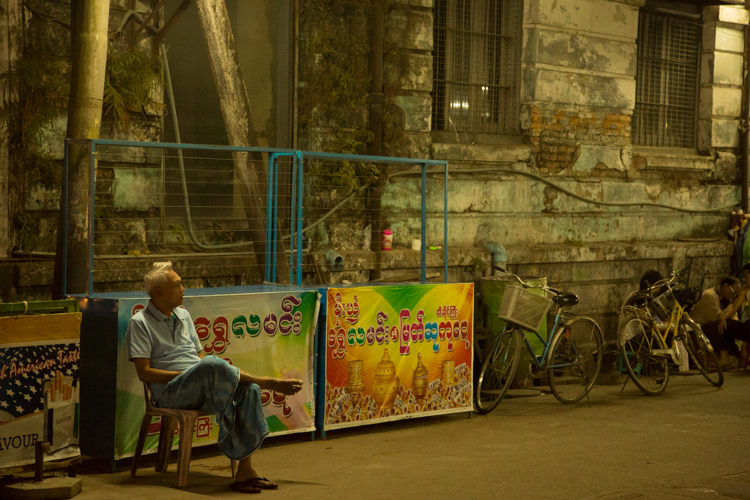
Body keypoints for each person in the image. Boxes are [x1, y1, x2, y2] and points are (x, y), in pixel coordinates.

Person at [126, 261, 303, 494]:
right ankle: (268, 382)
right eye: (177, 285)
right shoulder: (139, 323)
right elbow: (144, 372)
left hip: (201, 385)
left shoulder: (184, 315)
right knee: (211, 364)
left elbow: (198, 357)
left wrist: (202, 374)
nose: (183, 289)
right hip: (171, 393)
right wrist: (192, 374)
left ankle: (245, 471)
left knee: (249, 390)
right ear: (159, 293)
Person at [690, 266, 750, 369]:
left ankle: (730, 356)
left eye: (746, 276)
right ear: (726, 287)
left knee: (726, 324)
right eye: (743, 276)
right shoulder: (744, 290)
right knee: (724, 325)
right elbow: (733, 309)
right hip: (702, 328)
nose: (743, 279)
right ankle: (725, 358)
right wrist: (724, 317)